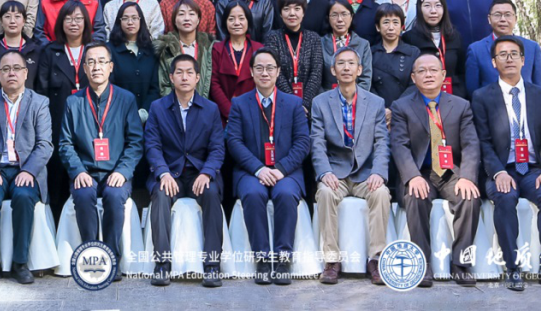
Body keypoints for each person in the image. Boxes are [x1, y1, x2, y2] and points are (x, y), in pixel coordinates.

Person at [470, 36, 541, 293]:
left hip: (533, 169)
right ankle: (513, 269)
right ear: (494, 62)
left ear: (523, 60)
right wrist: (497, 172)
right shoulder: (482, 97)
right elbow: (482, 142)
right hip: (502, 168)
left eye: (514, 54)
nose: (509, 58)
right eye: (503, 54)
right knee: (505, 196)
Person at [391, 53, 481, 288]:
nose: (428, 74)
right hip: (420, 170)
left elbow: (471, 144)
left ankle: (461, 263)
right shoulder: (401, 106)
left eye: (433, 70)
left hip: (450, 171)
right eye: (422, 71)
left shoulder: (461, 105)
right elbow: (399, 145)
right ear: (413, 78)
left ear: (443, 75)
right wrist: (412, 176)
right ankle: (422, 263)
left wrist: (467, 177)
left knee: (469, 197)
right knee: (415, 196)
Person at [226, 47, 310, 285]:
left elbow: (303, 143)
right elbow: (234, 142)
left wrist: (281, 169)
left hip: (286, 171)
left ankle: (283, 259)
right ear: (251, 72)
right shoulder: (239, 103)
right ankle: (262, 259)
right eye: (259, 68)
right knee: (253, 194)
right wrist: (259, 169)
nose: (265, 73)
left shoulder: (293, 103)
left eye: (270, 68)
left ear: (278, 71)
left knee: (285, 194)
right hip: (251, 171)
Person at [59, 42, 144, 274]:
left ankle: (112, 258)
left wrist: (122, 172)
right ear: (84, 68)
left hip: (116, 172)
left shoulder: (125, 99)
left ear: (110, 67)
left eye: (101, 62)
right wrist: (78, 171)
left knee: (114, 195)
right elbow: (65, 144)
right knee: (83, 194)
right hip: (86, 171)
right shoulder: (73, 102)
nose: (96, 67)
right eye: (91, 62)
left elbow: (135, 142)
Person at [0, 51, 53, 286]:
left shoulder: (39, 102)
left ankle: (20, 263)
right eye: (6, 69)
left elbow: (45, 144)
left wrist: (29, 171)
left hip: (25, 169)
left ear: (25, 73)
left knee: (24, 196)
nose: (11, 73)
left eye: (17, 68)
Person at [311, 47, 391, 285]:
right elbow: (317, 142)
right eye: (341, 64)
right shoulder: (320, 102)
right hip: (336, 172)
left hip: (366, 173)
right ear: (333, 70)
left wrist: (378, 172)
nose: (346, 68)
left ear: (359, 70)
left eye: (351, 64)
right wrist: (324, 172)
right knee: (325, 193)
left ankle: (376, 258)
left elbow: (382, 142)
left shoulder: (375, 103)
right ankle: (332, 260)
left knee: (381, 193)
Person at [144, 54, 225, 288]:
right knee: (160, 194)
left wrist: (207, 172)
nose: (184, 77)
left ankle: (212, 265)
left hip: (200, 173)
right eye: (179, 72)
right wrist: (163, 172)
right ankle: (162, 264)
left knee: (211, 193)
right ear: (171, 77)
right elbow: (152, 145)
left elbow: (217, 148)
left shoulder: (210, 109)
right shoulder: (158, 108)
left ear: (198, 77)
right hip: (170, 173)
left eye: (190, 72)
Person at [35, 0, 92, 217]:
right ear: (60, 23)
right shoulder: (50, 52)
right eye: (68, 18)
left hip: (90, 125)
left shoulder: (94, 51)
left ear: (86, 22)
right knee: (58, 180)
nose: (74, 23)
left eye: (78, 18)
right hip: (58, 124)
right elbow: (41, 91)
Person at [466, 0, 541, 93]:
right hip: (492, 102)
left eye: (508, 15)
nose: (503, 19)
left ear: (515, 19)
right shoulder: (476, 50)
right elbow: (472, 91)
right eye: (497, 15)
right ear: (489, 19)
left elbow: (540, 89)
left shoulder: (532, 48)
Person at [264, 0, 323, 112]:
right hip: (280, 104)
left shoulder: (314, 38)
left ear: (303, 12)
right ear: (280, 13)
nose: (292, 13)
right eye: (286, 9)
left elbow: (316, 74)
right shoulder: (272, 38)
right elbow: (276, 73)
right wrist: (293, 103)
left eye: (297, 9)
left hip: (310, 106)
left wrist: (305, 104)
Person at [403, 0, 468, 99]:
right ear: (419, 8)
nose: (433, 11)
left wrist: (460, 93)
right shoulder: (410, 38)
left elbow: (462, 71)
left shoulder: (454, 36)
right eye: (427, 6)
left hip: (453, 97)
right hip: (421, 97)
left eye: (438, 5)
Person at [108, 2, 161, 126]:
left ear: (141, 21)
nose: (130, 22)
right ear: (119, 21)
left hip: (148, 120)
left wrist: (144, 112)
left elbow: (155, 88)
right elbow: (109, 86)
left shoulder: (151, 50)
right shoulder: (109, 50)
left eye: (134, 18)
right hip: (117, 118)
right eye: (125, 18)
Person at [210, 2, 263, 124]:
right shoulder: (217, 49)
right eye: (231, 19)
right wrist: (230, 112)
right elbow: (214, 83)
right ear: (225, 22)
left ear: (248, 21)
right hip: (224, 117)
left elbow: (262, 82)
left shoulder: (259, 49)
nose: (236, 23)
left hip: (253, 113)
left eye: (241, 18)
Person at [0, 1, 40, 99]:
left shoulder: (36, 51)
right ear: (1, 21)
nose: (12, 21)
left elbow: (41, 86)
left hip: (29, 105)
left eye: (17, 16)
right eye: (7, 16)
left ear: (24, 21)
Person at [156, 0, 214, 98]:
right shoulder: (165, 48)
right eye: (181, 14)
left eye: (191, 14)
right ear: (174, 20)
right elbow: (164, 85)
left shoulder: (209, 47)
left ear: (198, 20)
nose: (187, 18)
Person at [370, 4, 420, 109]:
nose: (391, 27)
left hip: (407, 109)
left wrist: (395, 109)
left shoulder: (413, 52)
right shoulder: (371, 53)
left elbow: (415, 84)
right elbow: (368, 84)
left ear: (402, 26)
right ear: (378, 27)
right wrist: (382, 109)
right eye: (386, 22)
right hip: (378, 110)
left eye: (395, 22)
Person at [320, 0, 373, 91]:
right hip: (327, 97)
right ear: (328, 18)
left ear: (351, 17)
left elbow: (366, 79)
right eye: (334, 15)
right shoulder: (320, 43)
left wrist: (352, 97)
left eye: (344, 14)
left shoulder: (363, 44)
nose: (340, 19)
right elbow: (316, 78)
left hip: (356, 97)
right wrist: (328, 97)